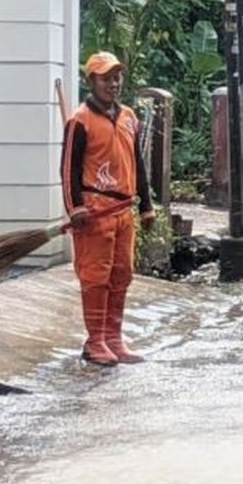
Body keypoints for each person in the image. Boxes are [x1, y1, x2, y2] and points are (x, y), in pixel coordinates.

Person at [61, 51, 156, 367]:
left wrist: (147, 207)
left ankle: (114, 338)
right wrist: (75, 208)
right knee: (95, 275)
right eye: (106, 78)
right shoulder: (80, 121)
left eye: (117, 77)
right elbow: (68, 171)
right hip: (95, 211)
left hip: (123, 209)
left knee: (121, 274)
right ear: (92, 81)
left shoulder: (129, 117)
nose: (113, 83)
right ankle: (95, 341)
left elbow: (137, 164)